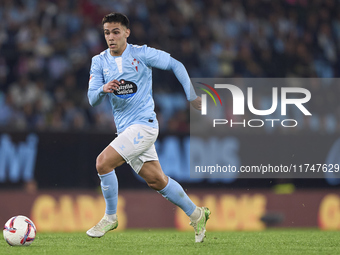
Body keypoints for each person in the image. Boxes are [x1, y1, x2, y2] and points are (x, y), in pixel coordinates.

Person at [86, 12, 210, 243]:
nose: (111, 37)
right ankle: (197, 214)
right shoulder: (99, 61)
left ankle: (110, 217)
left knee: (102, 163)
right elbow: (92, 99)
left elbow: (176, 64)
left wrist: (191, 96)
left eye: (115, 32)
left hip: (144, 125)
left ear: (126, 32)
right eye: (106, 33)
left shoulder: (142, 54)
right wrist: (103, 89)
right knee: (157, 181)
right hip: (125, 131)